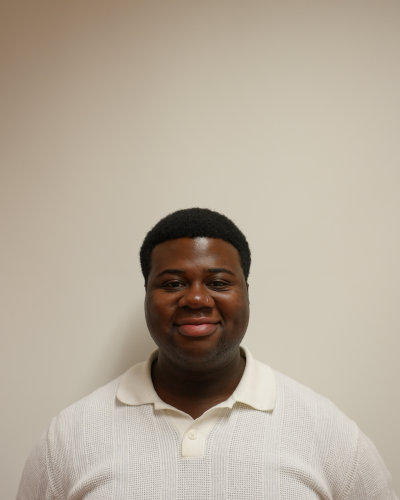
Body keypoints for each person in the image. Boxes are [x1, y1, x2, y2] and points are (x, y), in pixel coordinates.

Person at [17, 208, 397, 499]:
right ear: (147, 295)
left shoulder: (330, 435)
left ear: (246, 293)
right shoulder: (67, 438)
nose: (196, 299)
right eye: (173, 283)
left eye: (217, 282)